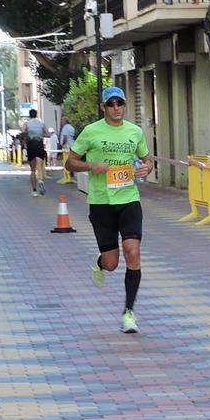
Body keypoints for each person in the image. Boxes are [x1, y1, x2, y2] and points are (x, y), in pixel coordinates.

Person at [63, 85, 153, 334]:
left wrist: (147, 168)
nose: (116, 108)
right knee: (112, 263)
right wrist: (91, 165)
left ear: (125, 105)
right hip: (102, 202)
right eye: (111, 104)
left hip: (129, 199)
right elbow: (71, 162)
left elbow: (147, 160)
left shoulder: (134, 132)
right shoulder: (91, 132)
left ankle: (129, 312)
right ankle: (100, 265)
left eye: (120, 103)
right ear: (103, 107)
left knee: (132, 250)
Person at [24, 109, 50, 196]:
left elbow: (23, 133)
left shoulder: (26, 123)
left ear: (29, 115)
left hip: (31, 145)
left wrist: (27, 137)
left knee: (32, 170)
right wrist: (41, 135)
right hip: (39, 144)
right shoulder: (41, 123)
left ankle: (34, 190)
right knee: (40, 166)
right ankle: (40, 180)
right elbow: (48, 134)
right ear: (36, 115)